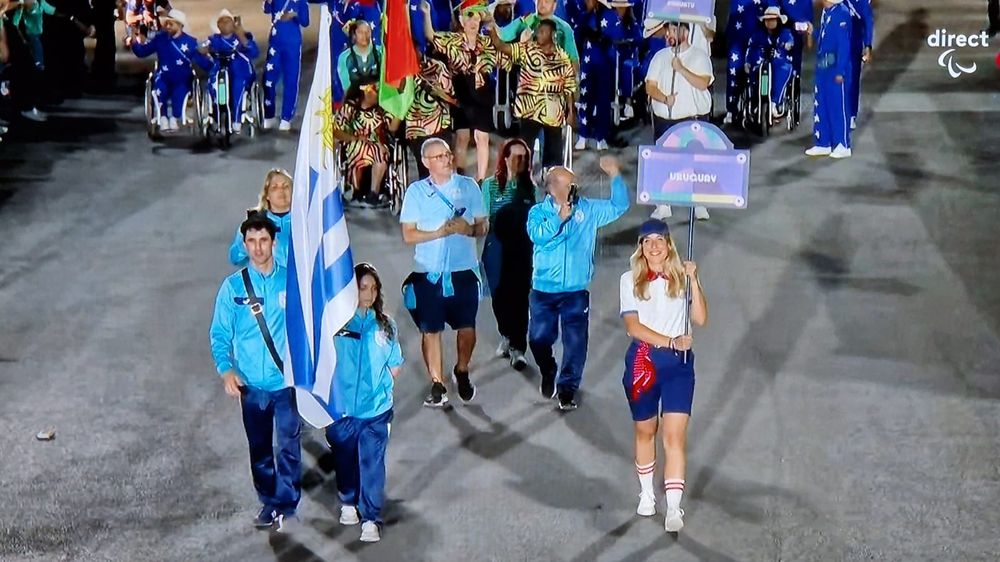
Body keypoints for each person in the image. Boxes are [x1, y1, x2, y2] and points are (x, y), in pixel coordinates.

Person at [210, 213, 301, 532]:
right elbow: (219, 333)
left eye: (264, 241)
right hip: (251, 385)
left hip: (286, 382)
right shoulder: (233, 287)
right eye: (251, 242)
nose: (258, 248)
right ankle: (269, 501)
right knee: (260, 448)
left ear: (274, 243)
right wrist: (226, 370)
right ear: (245, 245)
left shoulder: (291, 280)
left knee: (288, 445)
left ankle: (287, 502)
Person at [619, 218, 707, 534]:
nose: (654, 245)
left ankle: (673, 507)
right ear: (641, 248)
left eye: (660, 239)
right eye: (647, 241)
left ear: (668, 244)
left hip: (678, 366)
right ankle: (645, 494)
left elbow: (700, 317)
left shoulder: (681, 278)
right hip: (643, 362)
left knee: (674, 436)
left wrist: (694, 281)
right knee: (646, 431)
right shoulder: (629, 279)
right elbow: (633, 327)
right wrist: (669, 340)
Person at [527, 156, 629, 410]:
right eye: (570, 185)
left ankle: (567, 389)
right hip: (543, 290)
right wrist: (559, 218)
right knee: (538, 338)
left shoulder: (589, 209)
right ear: (554, 188)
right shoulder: (538, 212)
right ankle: (548, 368)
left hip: (575, 291)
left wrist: (615, 175)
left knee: (575, 342)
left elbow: (619, 206)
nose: (575, 189)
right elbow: (537, 236)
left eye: (575, 185)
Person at [399, 137, 488, 408]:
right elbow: (408, 234)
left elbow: (483, 225)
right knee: (431, 330)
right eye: (439, 156)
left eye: (448, 154)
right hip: (429, 272)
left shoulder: (469, 187)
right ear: (426, 163)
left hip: (463, 271)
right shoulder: (416, 192)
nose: (447, 159)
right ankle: (437, 383)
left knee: (467, 328)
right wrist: (438, 232)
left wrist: (469, 230)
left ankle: (461, 369)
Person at [327, 263, 403, 544]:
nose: (369, 294)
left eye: (373, 288)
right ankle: (348, 500)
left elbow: (395, 365)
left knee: (372, 464)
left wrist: (380, 388)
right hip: (343, 410)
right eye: (363, 288)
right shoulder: (337, 324)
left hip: (376, 411)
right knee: (345, 459)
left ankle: (370, 517)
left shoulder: (386, 325)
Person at [420, 0, 500, 181]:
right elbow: (431, 36)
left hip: (482, 94)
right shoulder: (452, 40)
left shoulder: (487, 42)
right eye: (469, 17)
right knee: (462, 137)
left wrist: (492, 21)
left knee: (482, 138)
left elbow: (500, 51)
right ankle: (459, 177)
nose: (473, 22)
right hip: (460, 96)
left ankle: (480, 180)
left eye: (477, 18)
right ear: (462, 21)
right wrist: (426, 14)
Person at [488, 17, 578, 169]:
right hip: (529, 110)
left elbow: (569, 87)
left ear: (552, 35)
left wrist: (571, 112)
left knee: (554, 153)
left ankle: (551, 180)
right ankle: (523, 179)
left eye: (542, 32)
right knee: (524, 149)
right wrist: (492, 32)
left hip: (553, 113)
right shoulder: (528, 50)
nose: (538, 34)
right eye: (538, 31)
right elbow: (503, 47)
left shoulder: (563, 59)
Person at [644, 21, 711, 221]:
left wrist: (681, 69)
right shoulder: (660, 56)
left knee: (695, 163)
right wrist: (664, 98)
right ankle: (663, 204)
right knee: (663, 162)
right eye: (668, 31)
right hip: (665, 119)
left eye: (673, 30)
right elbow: (650, 86)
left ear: (684, 31)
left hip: (692, 118)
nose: (668, 35)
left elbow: (703, 82)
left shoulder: (699, 56)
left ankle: (698, 202)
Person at [480, 138, 536, 371]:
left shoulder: (529, 187)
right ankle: (506, 333)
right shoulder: (490, 185)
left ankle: (518, 347)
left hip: (522, 247)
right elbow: (484, 217)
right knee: (499, 295)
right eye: (515, 156)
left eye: (524, 157)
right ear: (504, 158)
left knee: (520, 297)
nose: (519, 161)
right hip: (496, 245)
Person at [131, 9, 212, 132]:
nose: (167, 26)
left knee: (179, 96)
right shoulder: (160, 39)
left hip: (182, 79)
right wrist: (134, 42)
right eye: (166, 23)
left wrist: (213, 64)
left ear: (180, 25)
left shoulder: (190, 42)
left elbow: (203, 62)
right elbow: (142, 52)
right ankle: (163, 117)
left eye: (171, 24)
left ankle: (175, 117)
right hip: (163, 76)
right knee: (159, 91)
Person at [332, 82, 401, 207]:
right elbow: (336, 130)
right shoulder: (350, 108)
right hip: (354, 143)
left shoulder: (382, 109)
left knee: (380, 153)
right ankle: (355, 190)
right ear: (366, 92)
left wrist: (400, 111)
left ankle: (374, 193)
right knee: (359, 148)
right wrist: (353, 138)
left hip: (377, 145)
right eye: (375, 91)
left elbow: (392, 128)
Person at [567, 0, 622, 152]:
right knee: (585, 99)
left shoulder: (611, 16)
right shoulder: (584, 17)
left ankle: (601, 137)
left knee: (603, 100)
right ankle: (583, 136)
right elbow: (575, 39)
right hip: (587, 64)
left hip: (605, 64)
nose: (586, 2)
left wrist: (604, 38)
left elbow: (618, 35)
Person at [199, 10, 259, 134]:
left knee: (238, 85)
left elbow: (254, 52)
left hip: (239, 71)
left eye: (228, 21)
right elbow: (201, 48)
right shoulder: (213, 39)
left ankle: (237, 119)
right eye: (222, 21)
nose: (225, 24)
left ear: (233, 23)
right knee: (213, 85)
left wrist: (240, 32)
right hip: (219, 70)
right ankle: (215, 116)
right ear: (218, 25)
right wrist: (203, 50)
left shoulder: (242, 37)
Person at [806, 0, 852, 159]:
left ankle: (842, 144)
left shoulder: (842, 13)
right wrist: (814, 32)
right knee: (821, 104)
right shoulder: (827, 13)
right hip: (823, 66)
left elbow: (843, 45)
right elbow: (826, 37)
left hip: (835, 66)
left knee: (837, 105)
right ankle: (823, 142)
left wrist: (840, 70)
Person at [403, 55, 456, 179]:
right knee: (425, 171)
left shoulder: (437, 67)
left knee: (443, 166)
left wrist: (437, 91)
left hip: (440, 125)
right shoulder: (401, 71)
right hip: (416, 128)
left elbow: (451, 97)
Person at [229, 169, 294, 267]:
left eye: (285, 186)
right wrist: (247, 239)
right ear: (267, 195)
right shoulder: (254, 221)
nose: (281, 191)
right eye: (274, 187)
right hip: (266, 280)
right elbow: (235, 258)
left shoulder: (305, 220)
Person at [263, 0, 309, 131]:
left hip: (292, 44)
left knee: (290, 80)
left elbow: (305, 22)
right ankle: (269, 114)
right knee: (269, 79)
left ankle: (286, 117)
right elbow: (266, 9)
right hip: (275, 43)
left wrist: (295, 15)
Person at [745, 6, 795, 121]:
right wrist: (747, 62)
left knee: (782, 71)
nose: (770, 22)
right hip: (761, 64)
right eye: (767, 19)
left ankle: (774, 102)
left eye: (772, 19)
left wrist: (788, 45)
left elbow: (790, 41)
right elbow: (751, 48)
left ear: (778, 20)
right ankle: (756, 102)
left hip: (780, 63)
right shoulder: (758, 35)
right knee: (755, 72)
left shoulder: (785, 33)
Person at [497, 0, 578, 67]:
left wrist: (575, 81)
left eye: (546, 1)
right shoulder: (525, 21)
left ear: (554, 5)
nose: (542, 4)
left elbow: (573, 59)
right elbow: (501, 35)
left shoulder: (564, 28)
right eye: (540, 0)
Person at [724, 0, 761, 125]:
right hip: (737, 34)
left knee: (759, 68)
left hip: (758, 37)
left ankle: (758, 105)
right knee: (734, 69)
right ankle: (732, 108)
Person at [845, 0, 872, 130]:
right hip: (836, 47)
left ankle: (850, 115)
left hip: (853, 46)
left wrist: (868, 45)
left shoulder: (861, 2)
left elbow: (868, 22)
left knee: (851, 80)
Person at [336, 19, 380, 96]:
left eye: (367, 31)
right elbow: (346, 88)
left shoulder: (381, 52)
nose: (365, 35)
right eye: (360, 32)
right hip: (355, 100)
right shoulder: (344, 58)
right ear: (354, 35)